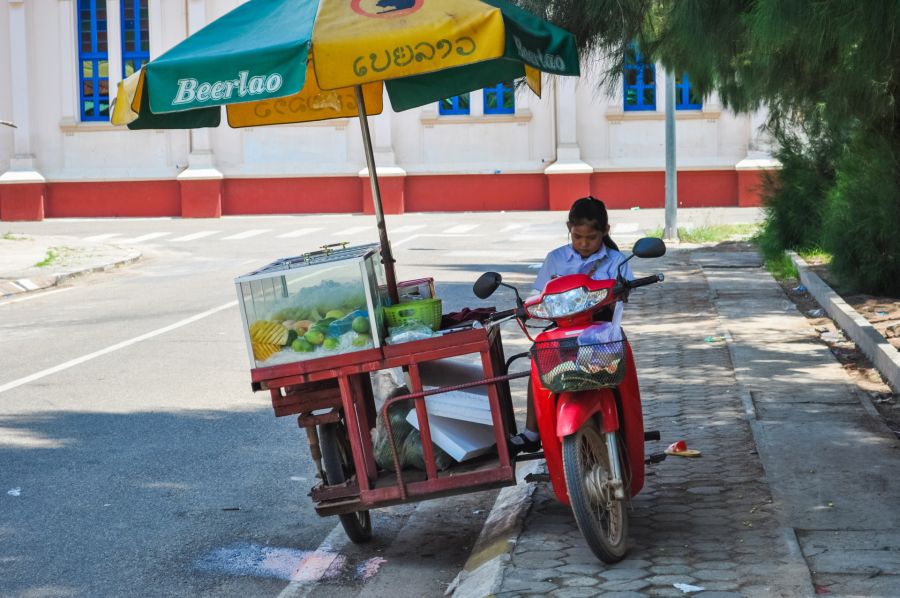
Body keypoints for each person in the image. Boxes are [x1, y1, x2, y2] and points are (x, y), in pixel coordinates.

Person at [509, 196, 634, 454]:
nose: (584, 244)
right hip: (561, 329)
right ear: (569, 229)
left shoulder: (616, 260)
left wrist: (621, 291)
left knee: (618, 372)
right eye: (578, 237)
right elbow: (537, 295)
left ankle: (624, 422)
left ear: (605, 232)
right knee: (538, 362)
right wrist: (526, 308)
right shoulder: (555, 259)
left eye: (591, 238)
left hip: (600, 331)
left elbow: (625, 291)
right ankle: (533, 432)